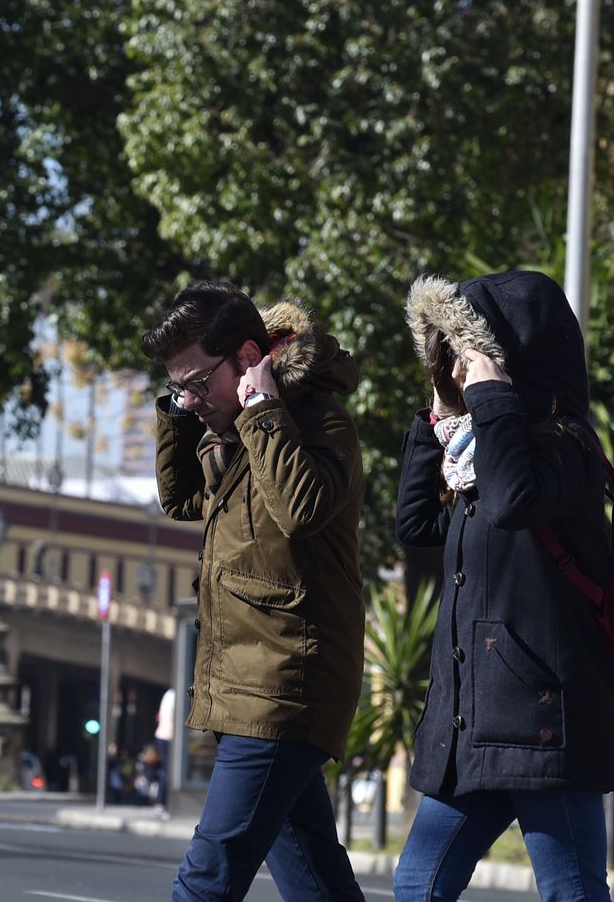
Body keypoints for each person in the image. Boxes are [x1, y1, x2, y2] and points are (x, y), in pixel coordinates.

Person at [393, 271, 614, 902]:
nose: (463, 370)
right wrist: (438, 412)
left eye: (472, 354)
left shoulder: (568, 447)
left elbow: (516, 501)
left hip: (546, 724)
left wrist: (492, 402)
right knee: (416, 887)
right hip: (475, 725)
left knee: (571, 891)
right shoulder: (479, 454)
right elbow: (414, 523)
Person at [144, 282, 367, 902]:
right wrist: (179, 412)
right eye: (176, 387)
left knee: (206, 879)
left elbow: (301, 509)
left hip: (284, 684)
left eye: (194, 383)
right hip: (249, 680)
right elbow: (183, 497)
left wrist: (262, 412)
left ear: (247, 359)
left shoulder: (319, 422)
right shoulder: (232, 430)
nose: (188, 401)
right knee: (314, 878)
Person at [153, 687, 175, 819]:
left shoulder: (169, 694)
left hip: (164, 735)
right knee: (167, 772)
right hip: (168, 736)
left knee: (165, 771)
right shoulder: (174, 694)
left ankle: (161, 804)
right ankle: (162, 804)